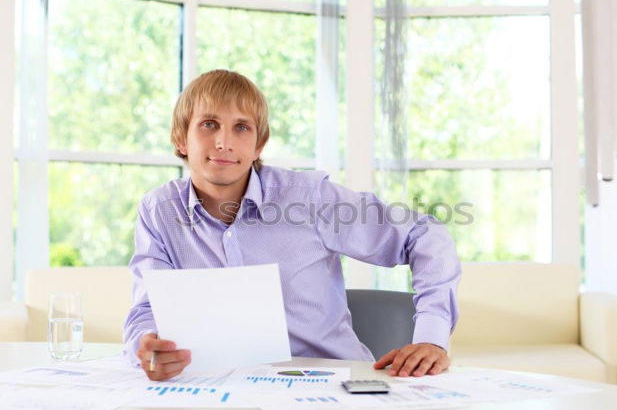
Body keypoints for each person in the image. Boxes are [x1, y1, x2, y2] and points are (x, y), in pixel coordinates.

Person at [123, 69, 461, 382]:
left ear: (258, 146)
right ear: (181, 138)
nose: (224, 141)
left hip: (330, 388)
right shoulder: (159, 211)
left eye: (241, 127)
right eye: (209, 124)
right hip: (218, 387)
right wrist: (148, 347)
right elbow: (146, 309)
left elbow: (425, 235)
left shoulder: (309, 199)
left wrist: (432, 337)